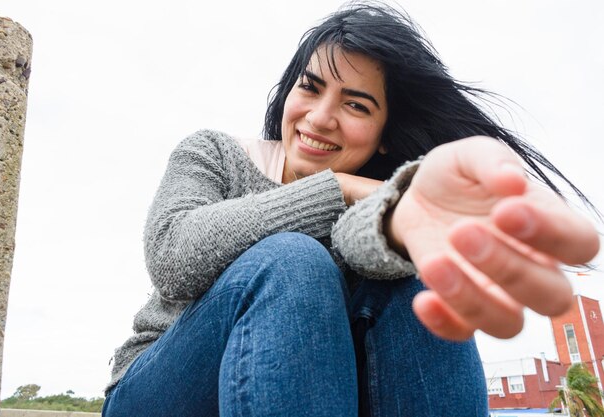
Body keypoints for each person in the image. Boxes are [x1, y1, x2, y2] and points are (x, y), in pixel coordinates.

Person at [101, 3, 600, 417]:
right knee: (292, 259)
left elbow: (365, 242)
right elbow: (172, 256)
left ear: (384, 137)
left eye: (356, 105)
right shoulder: (213, 153)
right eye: (311, 87)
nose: (320, 118)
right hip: (161, 389)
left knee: (415, 279)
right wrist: (334, 186)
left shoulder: (370, 199)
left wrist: (402, 219)